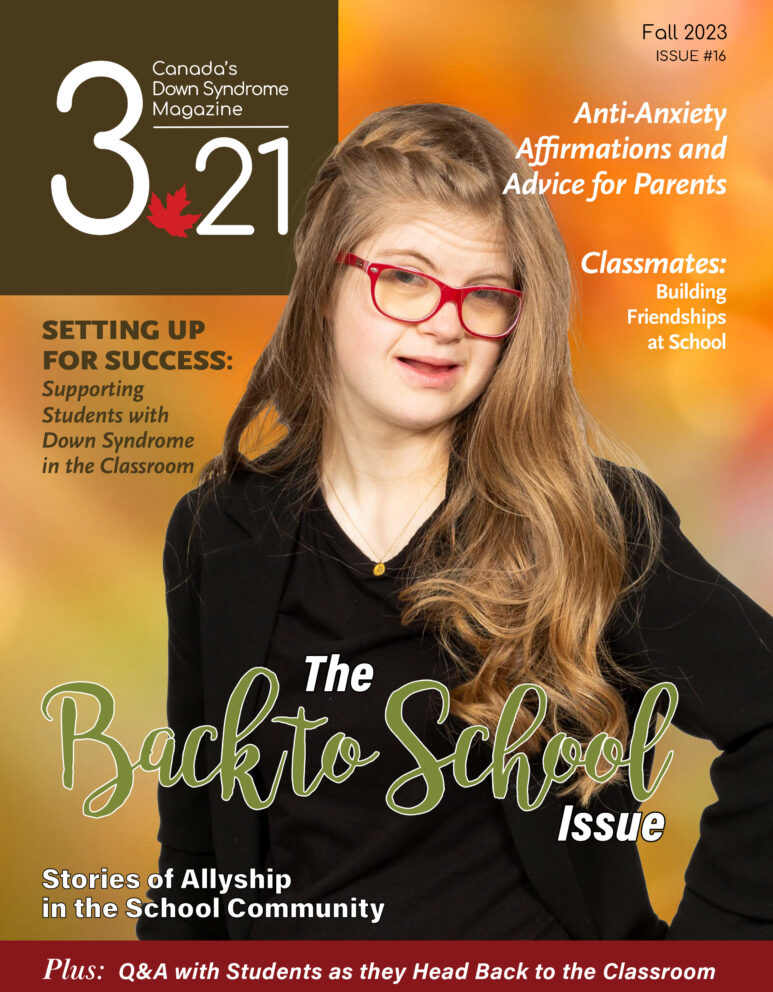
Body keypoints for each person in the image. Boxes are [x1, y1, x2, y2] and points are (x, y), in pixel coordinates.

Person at [137, 103, 773, 941]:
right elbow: (194, 861)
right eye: (404, 276)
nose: (443, 321)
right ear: (324, 281)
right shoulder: (218, 530)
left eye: (485, 294)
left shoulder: (587, 520)